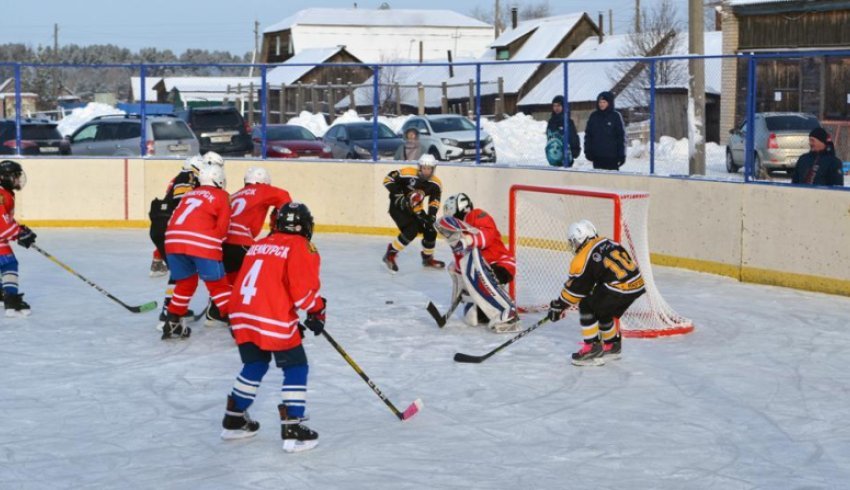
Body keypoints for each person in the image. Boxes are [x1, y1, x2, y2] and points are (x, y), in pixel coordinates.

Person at [223, 202, 324, 453]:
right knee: (296, 365)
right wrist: (316, 310)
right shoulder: (301, 245)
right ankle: (293, 426)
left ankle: (234, 418)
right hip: (271, 315)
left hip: (240, 313)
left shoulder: (258, 244)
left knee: (255, 363)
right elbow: (302, 292)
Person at [546, 219, 645, 366]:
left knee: (587, 306)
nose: (573, 246)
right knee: (602, 308)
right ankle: (612, 345)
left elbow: (576, 290)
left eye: (574, 242)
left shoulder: (582, 258)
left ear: (581, 239)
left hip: (619, 288)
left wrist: (559, 305)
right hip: (637, 285)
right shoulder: (609, 242)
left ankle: (592, 348)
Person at [204, 166, 292, 327]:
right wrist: (278, 223)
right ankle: (255, 314)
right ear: (264, 182)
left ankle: (216, 311)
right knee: (257, 278)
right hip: (240, 241)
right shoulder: (262, 189)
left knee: (229, 278)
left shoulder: (236, 194)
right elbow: (284, 196)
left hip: (221, 241)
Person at [160, 164, 232, 340]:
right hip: (202, 243)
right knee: (218, 286)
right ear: (220, 180)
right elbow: (223, 228)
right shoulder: (222, 195)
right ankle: (239, 323)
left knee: (185, 283)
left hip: (172, 242)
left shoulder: (189, 194)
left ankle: (173, 322)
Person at [440, 193, 519, 332]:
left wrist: (469, 240)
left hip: (501, 263)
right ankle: (493, 310)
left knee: (484, 278)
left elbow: (488, 234)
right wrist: (457, 271)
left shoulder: (476, 215)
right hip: (482, 269)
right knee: (476, 318)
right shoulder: (459, 234)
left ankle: (508, 313)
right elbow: (462, 262)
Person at [381, 154, 445, 272]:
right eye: (424, 168)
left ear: (433, 169)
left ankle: (427, 258)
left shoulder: (435, 184)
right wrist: (399, 195)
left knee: (430, 229)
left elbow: (434, 200)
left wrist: (432, 215)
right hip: (398, 207)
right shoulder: (408, 173)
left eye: (429, 169)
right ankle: (390, 254)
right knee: (411, 230)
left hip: (415, 209)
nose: (426, 171)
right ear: (420, 167)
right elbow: (387, 179)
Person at [0, 160, 36, 317]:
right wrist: (18, 234)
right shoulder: (1, 194)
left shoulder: (6, 193)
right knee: (9, 263)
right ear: (5, 177)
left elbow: (6, 220)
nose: (18, 179)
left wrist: (20, 229)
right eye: (15, 176)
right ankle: (11, 300)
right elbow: (1, 224)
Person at [584, 91, 626, 171]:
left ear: (609, 103)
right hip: (597, 157)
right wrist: (588, 151)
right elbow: (588, 135)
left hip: (612, 157)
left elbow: (620, 137)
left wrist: (621, 154)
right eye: (600, 102)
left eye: (604, 102)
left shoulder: (615, 116)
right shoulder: (594, 116)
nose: (601, 104)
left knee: (612, 181)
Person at [545, 95, 580, 167]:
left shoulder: (568, 121)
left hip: (566, 158)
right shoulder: (551, 121)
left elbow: (573, 138)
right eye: (554, 106)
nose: (556, 108)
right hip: (553, 158)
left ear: (563, 106)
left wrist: (574, 152)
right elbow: (549, 138)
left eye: (558, 105)